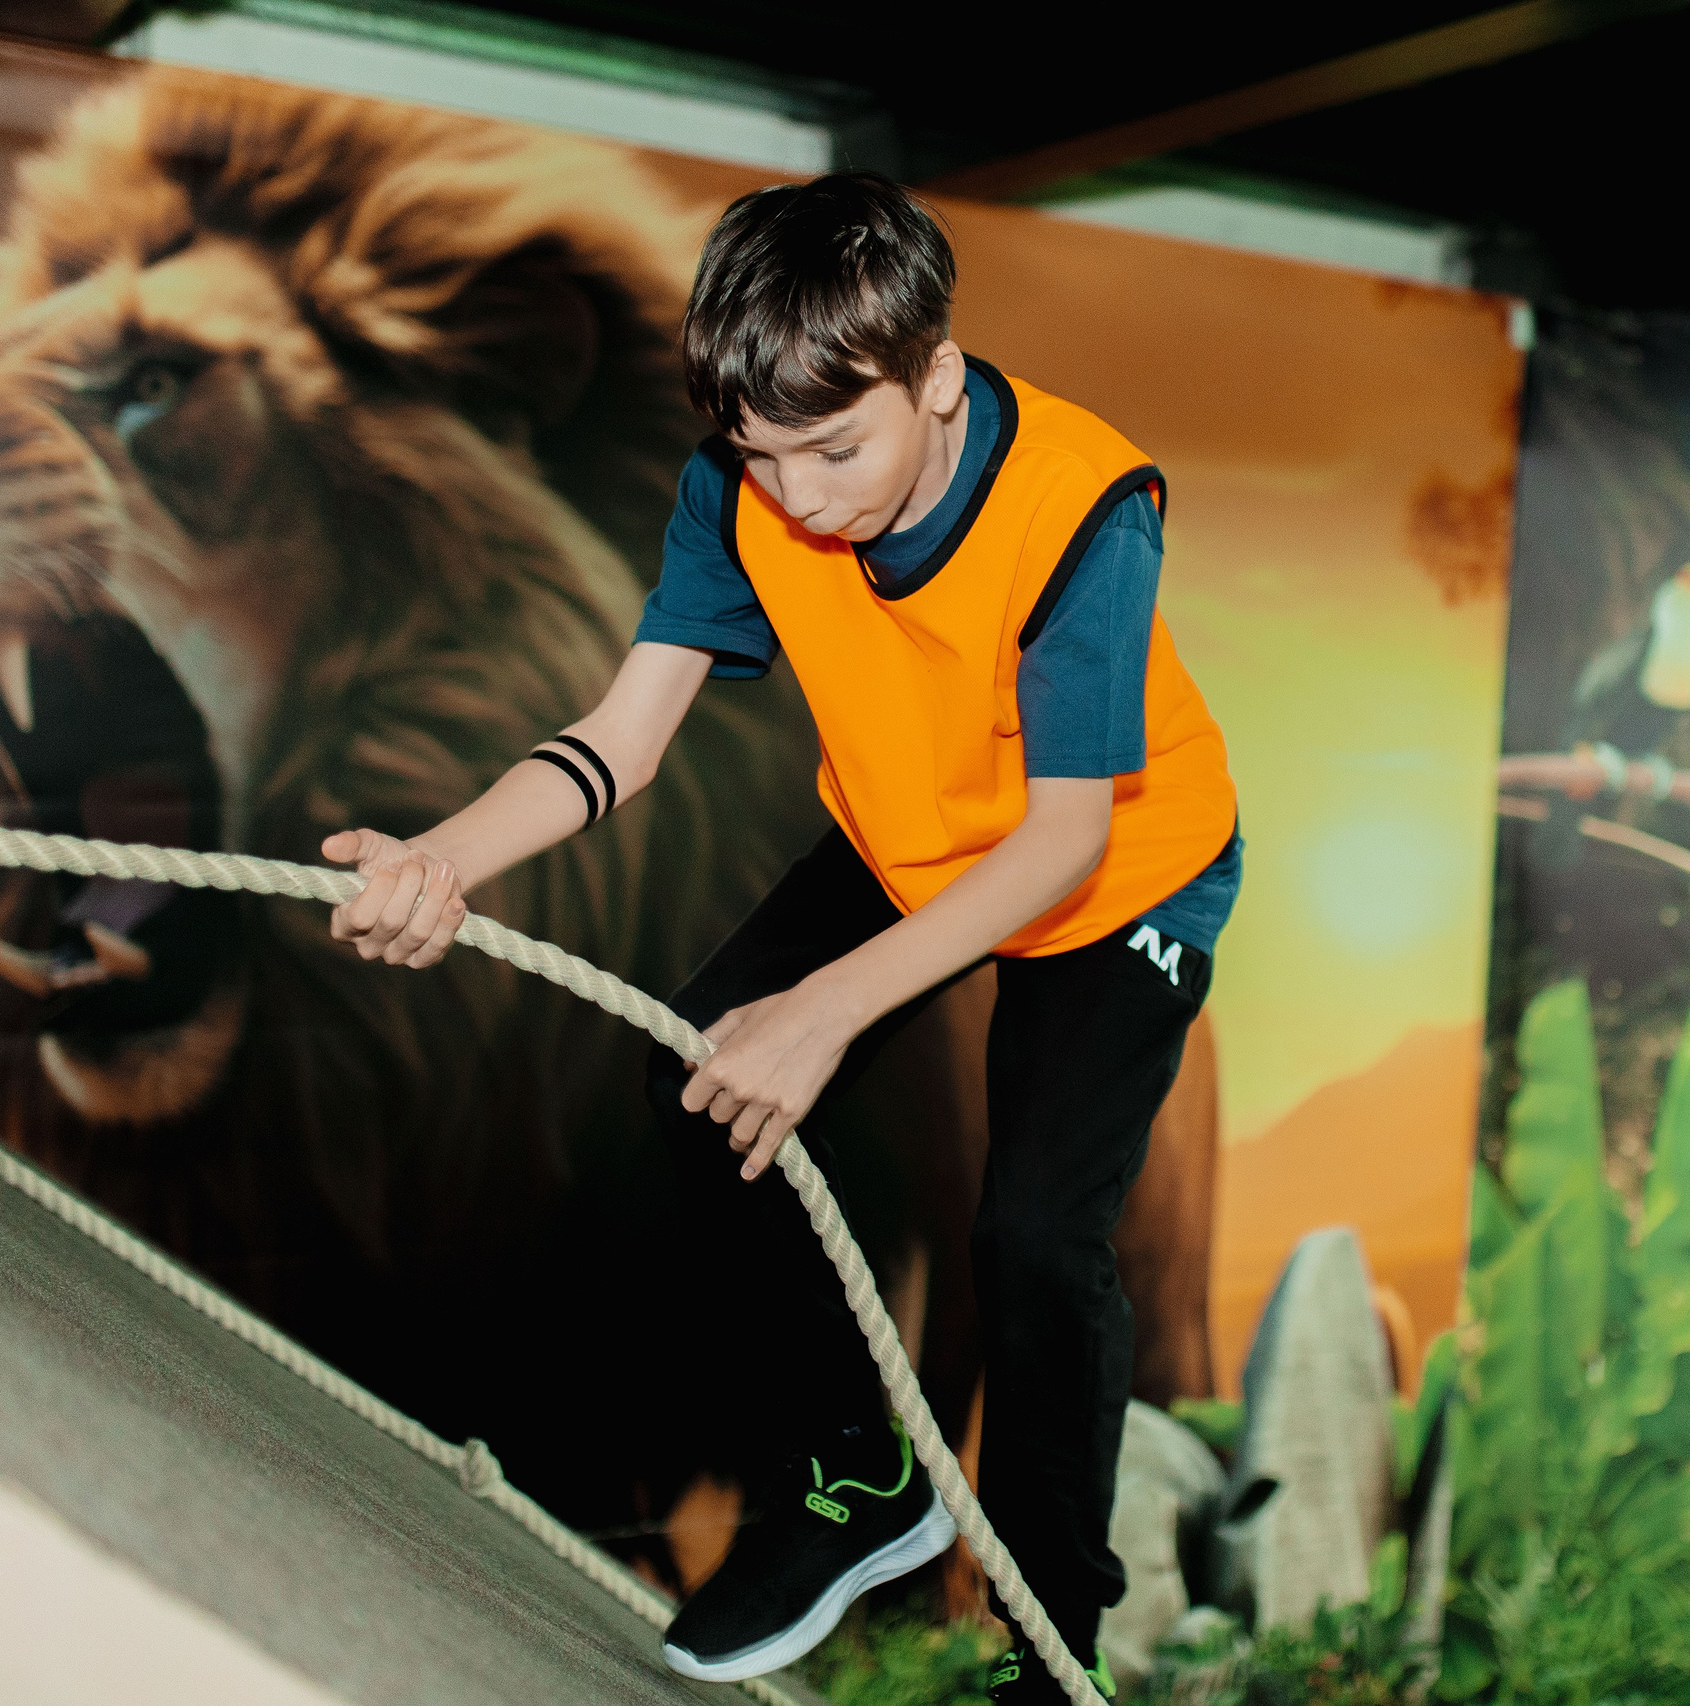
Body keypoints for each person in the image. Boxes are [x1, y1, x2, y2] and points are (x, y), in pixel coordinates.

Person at [322, 171, 1241, 1705]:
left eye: (836, 449)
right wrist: (445, 859)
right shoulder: (742, 487)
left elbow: (1065, 839)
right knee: (699, 1074)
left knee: (1033, 1233)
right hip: (911, 828)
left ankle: (1053, 1640)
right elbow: (624, 736)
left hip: (1117, 875)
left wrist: (821, 1009)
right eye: (764, 456)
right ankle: (854, 1475)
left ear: (936, 378)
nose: (800, 497)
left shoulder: (1085, 508)